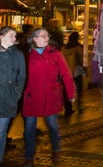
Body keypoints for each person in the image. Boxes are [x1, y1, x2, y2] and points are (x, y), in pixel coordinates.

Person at [22, 28, 76, 166]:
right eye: (44, 36)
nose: (47, 38)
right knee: (29, 128)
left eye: (48, 35)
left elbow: (66, 74)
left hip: (51, 96)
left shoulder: (55, 54)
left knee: (52, 125)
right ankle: (29, 156)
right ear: (34, 38)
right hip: (31, 96)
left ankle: (56, 148)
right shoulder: (26, 55)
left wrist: (71, 94)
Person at [0, 26, 26, 164]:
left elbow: (22, 77)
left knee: (2, 130)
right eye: (11, 35)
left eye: (15, 36)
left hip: (9, 98)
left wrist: (17, 93)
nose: (14, 39)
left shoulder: (18, 54)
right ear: (1, 37)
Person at [61, 32, 84, 115]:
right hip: (76, 71)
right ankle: (78, 106)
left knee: (67, 90)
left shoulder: (63, 48)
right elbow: (82, 59)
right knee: (78, 89)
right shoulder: (78, 48)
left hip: (66, 72)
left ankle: (68, 108)